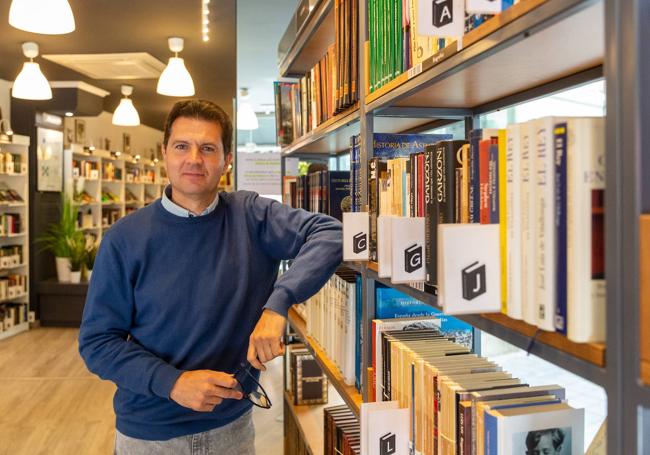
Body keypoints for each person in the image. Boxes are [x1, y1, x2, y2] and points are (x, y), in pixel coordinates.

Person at [78, 99, 342, 455]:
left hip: (232, 429)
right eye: (182, 146)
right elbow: (97, 343)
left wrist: (278, 305)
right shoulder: (125, 239)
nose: (194, 159)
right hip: (150, 435)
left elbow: (331, 234)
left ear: (226, 159)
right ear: (165, 153)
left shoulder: (252, 216)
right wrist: (173, 383)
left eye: (208, 148)